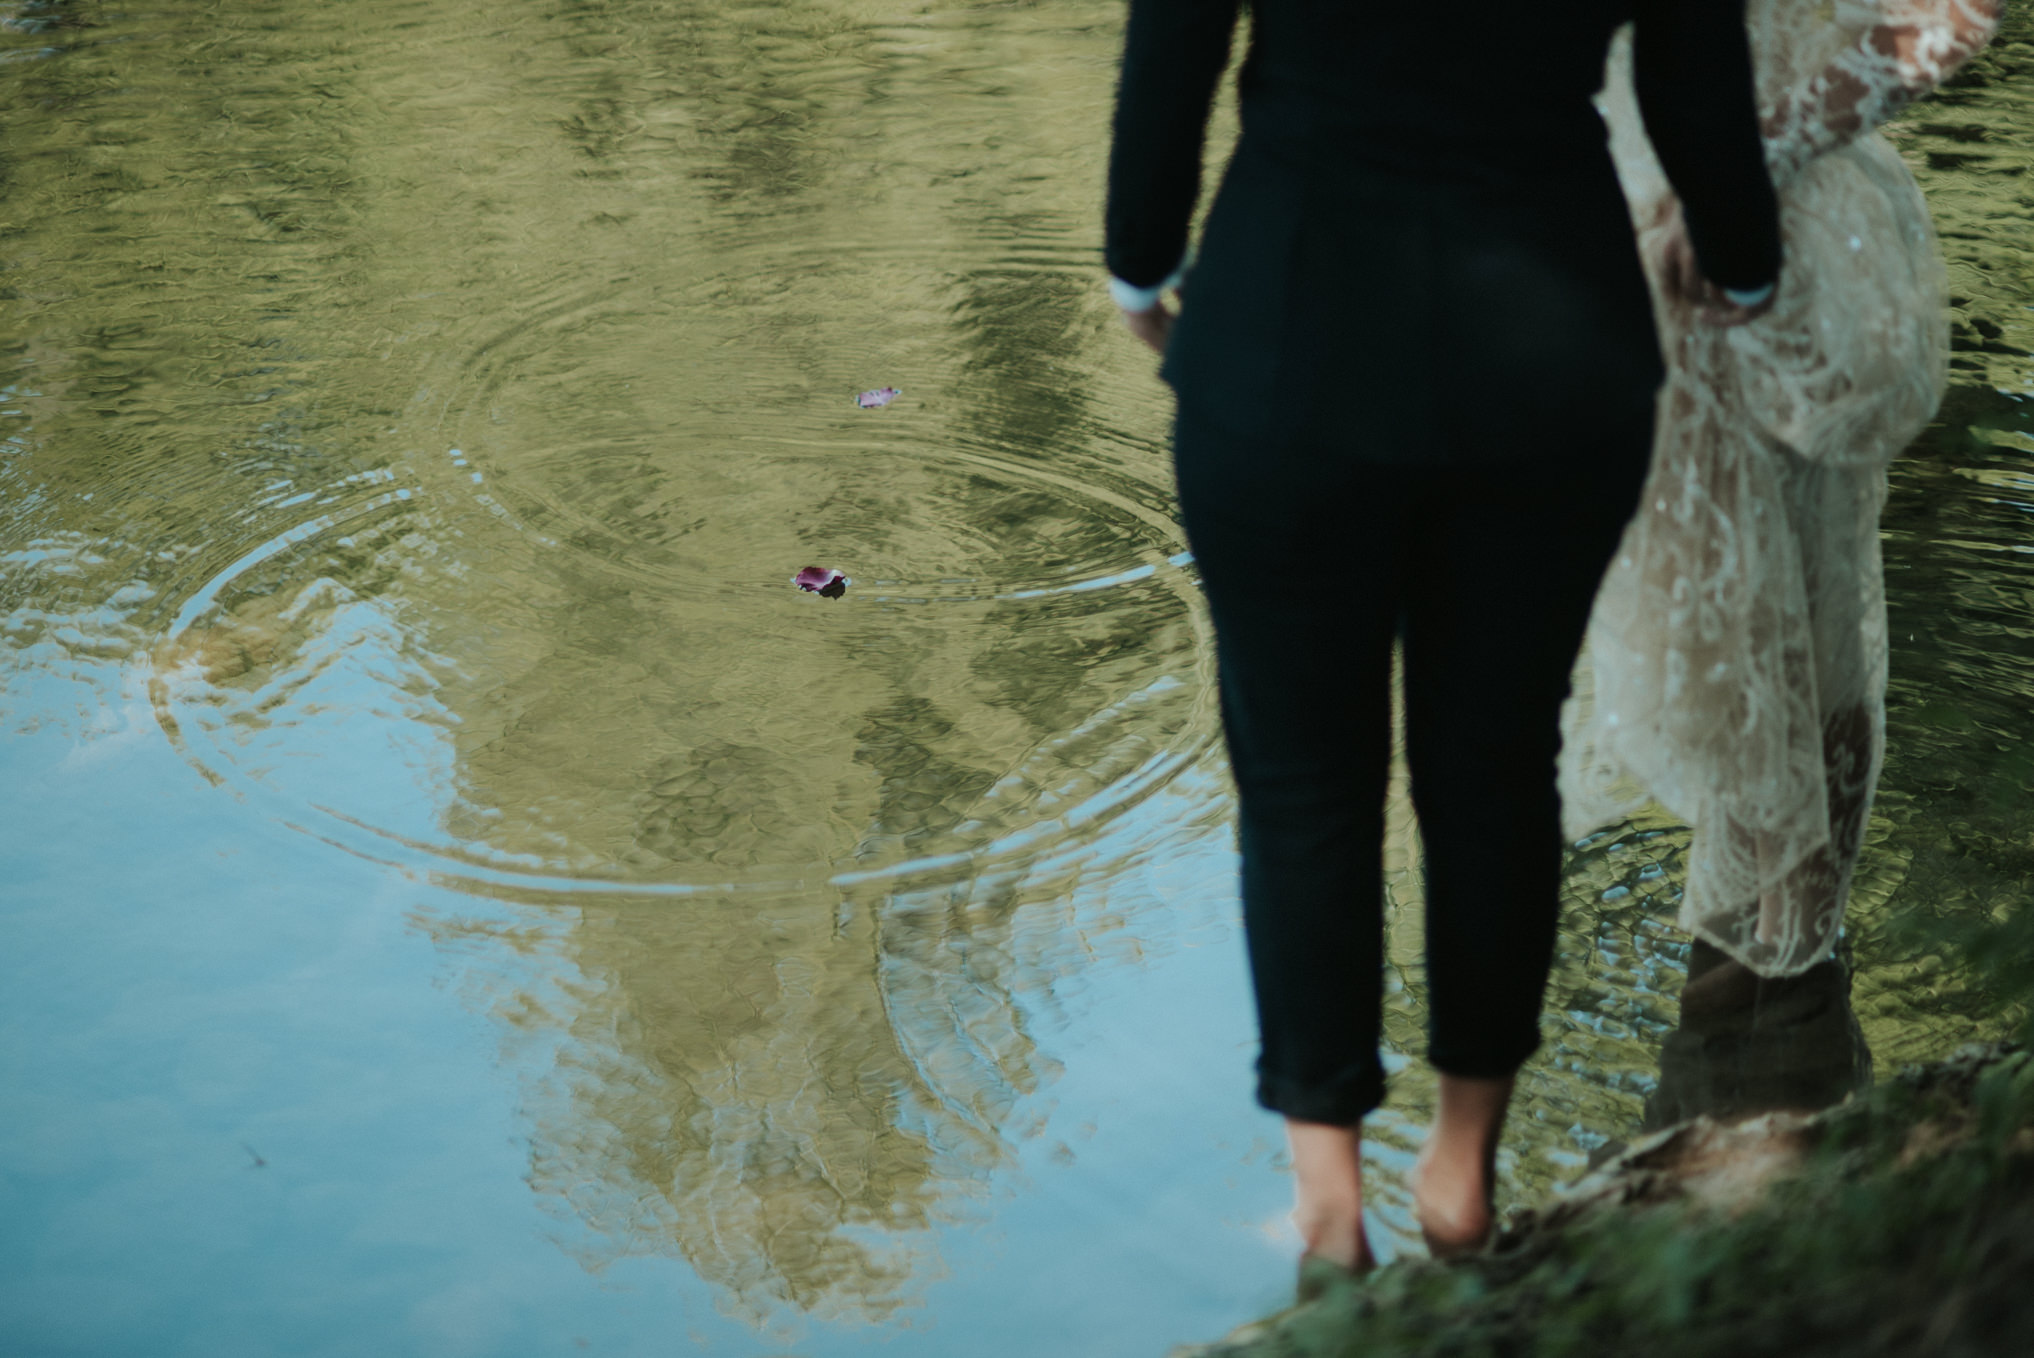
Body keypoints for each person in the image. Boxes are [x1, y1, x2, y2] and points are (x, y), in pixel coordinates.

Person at [1104, 0, 1781, 1278]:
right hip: (1549, 347)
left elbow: (1172, 48)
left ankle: (1325, 1211)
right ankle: (1461, 1183)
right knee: (1494, 768)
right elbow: (1697, 62)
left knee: (1304, 787)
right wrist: (1744, 254)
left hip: (1285, 335)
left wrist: (1139, 263)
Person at [1562, 0, 2002, 983]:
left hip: (1794, 251)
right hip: (1612, 241)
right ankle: (1743, 962)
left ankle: (1798, 964)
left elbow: (1959, 11)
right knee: (1707, 627)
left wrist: (1752, 158)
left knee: (1811, 616)